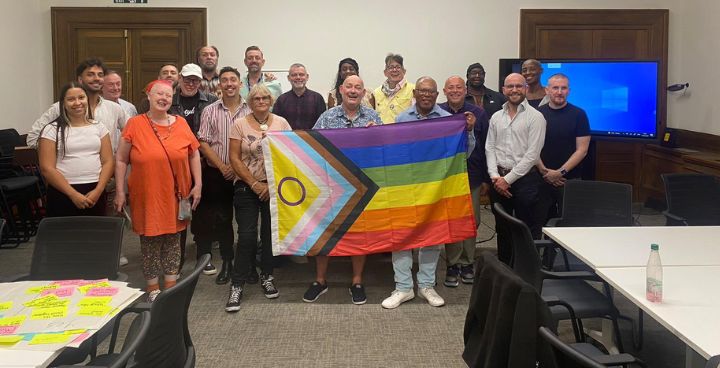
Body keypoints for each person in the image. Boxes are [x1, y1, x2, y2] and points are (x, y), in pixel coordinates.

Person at [114, 79, 202, 302]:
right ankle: (153, 288)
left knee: (174, 239)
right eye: (159, 94)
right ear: (149, 96)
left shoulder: (181, 123)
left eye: (168, 95)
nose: (163, 98)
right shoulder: (134, 124)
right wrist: (120, 191)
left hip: (177, 193)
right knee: (150, 240)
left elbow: (193, 154)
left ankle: (171, 285)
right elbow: (122, 159)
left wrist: (198, 184)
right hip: (146, 192)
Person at [306, 75, 382, 305]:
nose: (353, 90)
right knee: (325, 231)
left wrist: (376, 133)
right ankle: (320, 281)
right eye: (349, 86)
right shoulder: (327, 118)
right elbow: (312, 146)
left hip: (361, 185)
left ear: (363, 92)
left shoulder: (373, 117)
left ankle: (357, 281)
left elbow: (382, 150)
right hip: (332, 185)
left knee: (359, 233)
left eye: (358, 87)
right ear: (341, 89)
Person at [225, 84, 291, 312]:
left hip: (274, 189)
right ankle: (237, 284)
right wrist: (254, 184)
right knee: (246, 236)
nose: (261, 101)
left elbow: (290, 154)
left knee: (270, 235)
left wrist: (270, 186)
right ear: (250, 102)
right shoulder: (239, 124)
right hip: (246, 187)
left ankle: (267, 276)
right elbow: (234, 158)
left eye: (265, 98)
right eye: (256, 98)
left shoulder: (282, 123)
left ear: (271, 101)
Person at [196, 66, 251, 285]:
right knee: (222, 220)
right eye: (225, 80)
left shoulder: (250, 110)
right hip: (217, 174)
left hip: (244, 175)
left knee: (246, 222)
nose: (229, 84)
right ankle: (227, 261)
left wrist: (237, 168)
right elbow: (203, 141)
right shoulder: (210, 110)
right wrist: (222, 166)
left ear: (240, 84)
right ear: (220, 85)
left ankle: (246, 265)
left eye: (233, 80)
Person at [485, 73, 546, 265]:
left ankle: (525, 269)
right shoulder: (496, 117)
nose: (514, 90)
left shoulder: (536, 117)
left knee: (525, 227)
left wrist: (507, 180)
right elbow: (490, 147)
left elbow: (532, 155)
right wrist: (495, 176)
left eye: (518, 86)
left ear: (525, 89)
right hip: (498, 180)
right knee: (501, 226)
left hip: (525, 181)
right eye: (510, 86)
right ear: (503, 90)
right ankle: (504, 267)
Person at [439, 75, 490, 287]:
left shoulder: (478, 113)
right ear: (444, 90)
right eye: (451, 87)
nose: (455, 91)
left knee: (472, 219)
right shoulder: (438, 113)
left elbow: (489, 145)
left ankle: (467, 262)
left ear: (465, 89)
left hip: (472, 175)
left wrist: (488, 177)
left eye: (459, 87)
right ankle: (452, 263)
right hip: (447, 177)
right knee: (452, 220)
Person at [38, 82, 113, 217]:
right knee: (65, 236)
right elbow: (47, 168)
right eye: (71, 99)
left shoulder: (99, 127)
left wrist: (99, 190)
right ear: (63, 103)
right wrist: (73, 194)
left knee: (94, 235)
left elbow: (108, 161)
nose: (77, 102)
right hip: (63, 191)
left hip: (95, 190)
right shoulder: (51, 129)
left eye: (81, 98)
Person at [170, 63, 218, 274]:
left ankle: (203, 255)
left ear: (201, 82)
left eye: (195, 80)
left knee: (204, 212)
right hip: (174, 165)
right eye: (187, 79)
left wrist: (206, 156)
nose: (191, 83)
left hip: (203, 163)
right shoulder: (168, 101)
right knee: (176, 213)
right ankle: (176, 259)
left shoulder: (211, 101)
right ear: (180, 78)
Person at [28, 58, 127, 151]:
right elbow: (32, 138)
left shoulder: (114, 108)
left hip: (107, 166)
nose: (96, 78)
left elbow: (133, 134)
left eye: (100, 75)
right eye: (90, 74)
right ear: (80, 79)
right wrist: (62, 151)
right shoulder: (60, 107)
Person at [536, 73, 590, 222]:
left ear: (569, 91)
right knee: (539, 222)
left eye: (563, 88)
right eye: (555, 88)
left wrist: (560, 172)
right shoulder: (537, 115)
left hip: (569, 179)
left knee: (570, 223)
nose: (559, 92)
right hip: (541, 178)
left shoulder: (579, 115)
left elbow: (582, 150)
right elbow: (530, 148)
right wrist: (545, 172)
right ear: (547, 90)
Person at [272, 63, 326, 130]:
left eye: (301, 74)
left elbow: (323, 123)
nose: (298, 77)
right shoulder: (281, 100)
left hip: (312, 139)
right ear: (288, 78)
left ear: (307, 77)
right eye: (294, 75)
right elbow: (276, 123)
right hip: (287, 139)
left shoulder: (317, 98)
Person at [372, 53, 414, 124]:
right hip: (382, 133)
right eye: (391, 67)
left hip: (404, 132)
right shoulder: (376, 92)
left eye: (398, 67)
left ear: (404, 71)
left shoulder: (413, 89)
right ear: (385, 72)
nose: (394, 70)